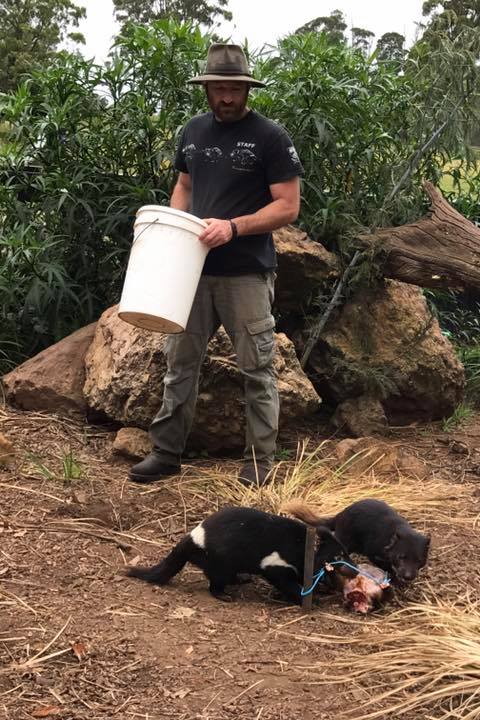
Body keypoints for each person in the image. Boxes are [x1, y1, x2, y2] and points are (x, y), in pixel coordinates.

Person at [129, 43, 304, 486]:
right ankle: (166, 453)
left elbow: (287, 207)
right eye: (218, 88)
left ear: (247, 89)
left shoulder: (270, 138)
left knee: (257, 370)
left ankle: (261, 463)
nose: (226, 97)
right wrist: (174, 230)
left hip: (245, 272)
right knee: (179, 364)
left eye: (234, 89)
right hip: (191, 273)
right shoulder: (193, 131)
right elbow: (184, 186)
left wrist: (234, 227)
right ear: (206, 89)